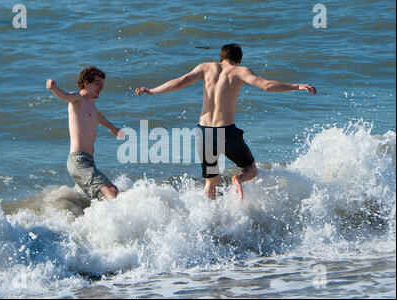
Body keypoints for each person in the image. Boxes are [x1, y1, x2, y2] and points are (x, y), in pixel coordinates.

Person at [135, 43, 316, 200]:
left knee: (210, 182)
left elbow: (180, 81)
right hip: (226, 131)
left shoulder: (205, 67)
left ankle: (211, 222)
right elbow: (266, 85)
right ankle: (239, 179)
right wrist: (297, 86)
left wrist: (152, 90)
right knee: (250, 168)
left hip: (203, 132)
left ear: (221, 57)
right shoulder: (240, 71)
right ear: (239, 59)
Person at [46, 66, 124, 200]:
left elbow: (100, 118)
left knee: (104, 195)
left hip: (89, 162)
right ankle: (121, 219)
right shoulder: (78, 98)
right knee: (111, 190)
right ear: (86, 83)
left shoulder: (92, 106)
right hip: (78, 160)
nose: (101, 87)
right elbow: (65, 96)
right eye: (97, 83)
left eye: (102, 84)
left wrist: (113, 129)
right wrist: (53, 89)